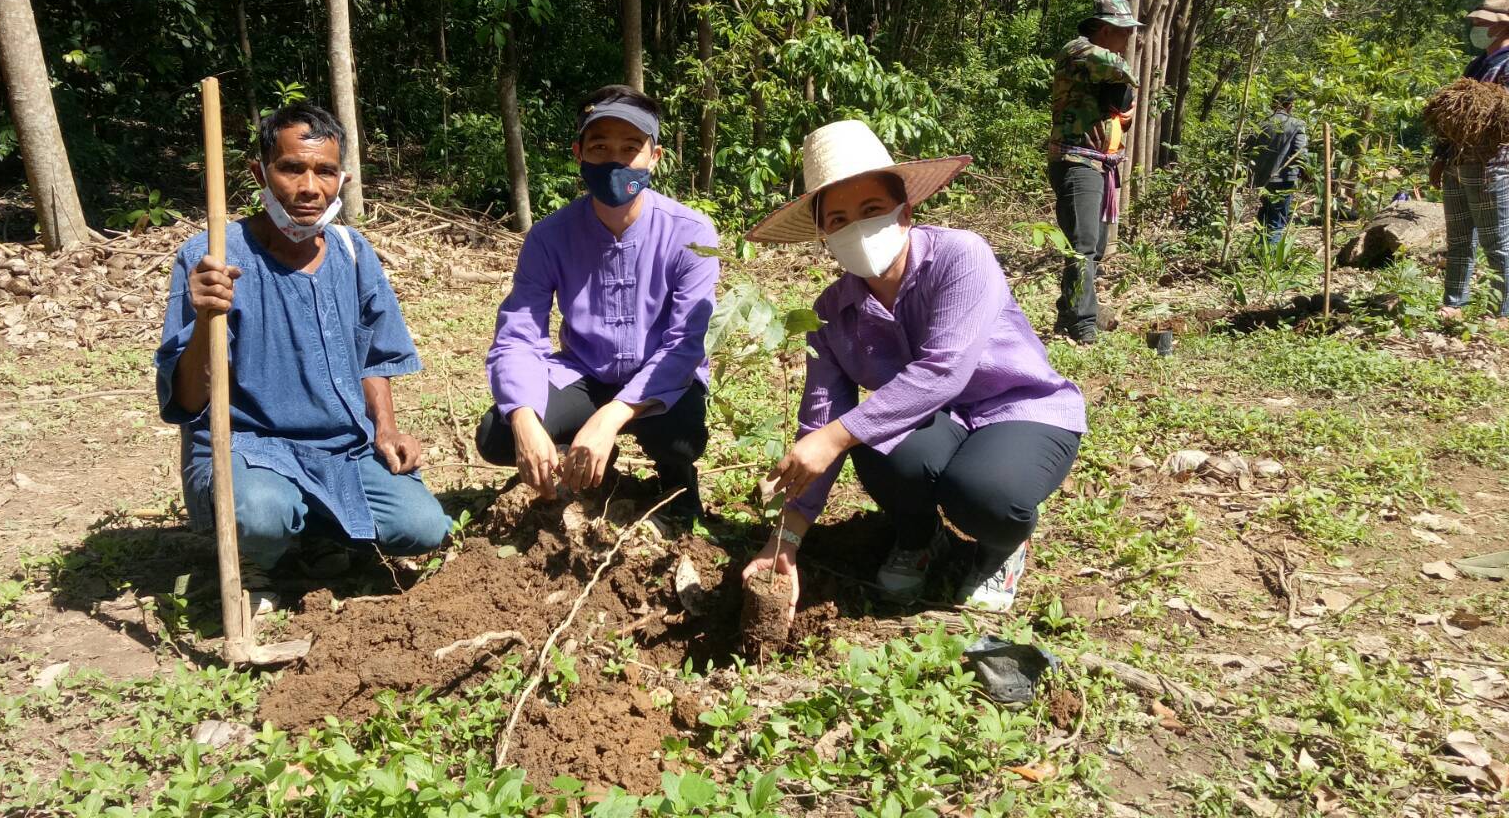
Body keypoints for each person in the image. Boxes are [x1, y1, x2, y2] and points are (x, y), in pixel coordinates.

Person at [739, 120, 1086, 614]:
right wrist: (786, 537)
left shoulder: (960, 256)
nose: (856, 228)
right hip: (934, 421)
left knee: (985, 493)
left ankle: (1002, 546)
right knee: (877, 449)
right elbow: (820, 422)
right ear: (824, 235)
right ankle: (920, 537)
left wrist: (835, 436)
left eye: (871, 210)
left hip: (1017, 407)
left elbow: (943, 371)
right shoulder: (831, 314)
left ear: (905, 212)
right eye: (838, 219)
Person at [156, 103, 450, 614]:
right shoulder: (214, 258)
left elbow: (374, 355)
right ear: (260, 173)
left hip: (342, 448)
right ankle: (257, 559)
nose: (310, 187)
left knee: (422, 527)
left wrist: (385, 429)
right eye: (292, 168)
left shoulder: (352, 252)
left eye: (325, 172)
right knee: (261, 513)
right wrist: (205, 318)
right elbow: (187, 398)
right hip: (250, 448)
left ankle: (316, 536)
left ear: (342, 179)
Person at [476, 85, 720, 524]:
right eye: (600, 147)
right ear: (579, 154)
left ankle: (676, 480)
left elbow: (685, 344)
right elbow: (518, 336)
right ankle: (579, 465)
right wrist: (526, 421)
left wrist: (611, 418)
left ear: (655, 157)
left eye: (631, 148)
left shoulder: (691, 234)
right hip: (584, 373)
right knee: (499, 434)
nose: (615, 161)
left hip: (660, 378)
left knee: (678, 436)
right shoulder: (549, 237)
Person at [1434, 0, 1509, 324]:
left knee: (1497, 240)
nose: (1477, 26)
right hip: (1457, 163)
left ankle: (1500, 312)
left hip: (1493, 165)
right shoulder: (1475, 65)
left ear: (1504, 25)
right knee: (1459, 239)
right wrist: (1440, 157)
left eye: (1483, 22)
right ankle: (1454, 303)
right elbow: (1450, 117)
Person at [1048, 0, 1141, 344]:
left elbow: (1119, 102)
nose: (1129, 38)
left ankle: (1069, 310)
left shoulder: (1099, 70)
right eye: (1124, 31)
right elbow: (1118, 68)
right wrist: (1126, 83)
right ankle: (1083, 324)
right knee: (1082, 244)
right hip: (1076, 162)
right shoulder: (1078, 51)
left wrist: (1122, 111)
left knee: (1095, 245)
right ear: (1104, 29)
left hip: (1099, 164)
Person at [1249, 91, 1310, 244]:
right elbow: (1300, 153)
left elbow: (1249, 149)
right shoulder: (1297, 124)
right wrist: (1307, 172)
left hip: (1262, 178)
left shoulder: (1262, 124)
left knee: (1264, 214)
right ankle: (1269, 255)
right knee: (1276, 220)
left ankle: (1257, 250)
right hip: (1283, 178)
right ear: (1289, 105)